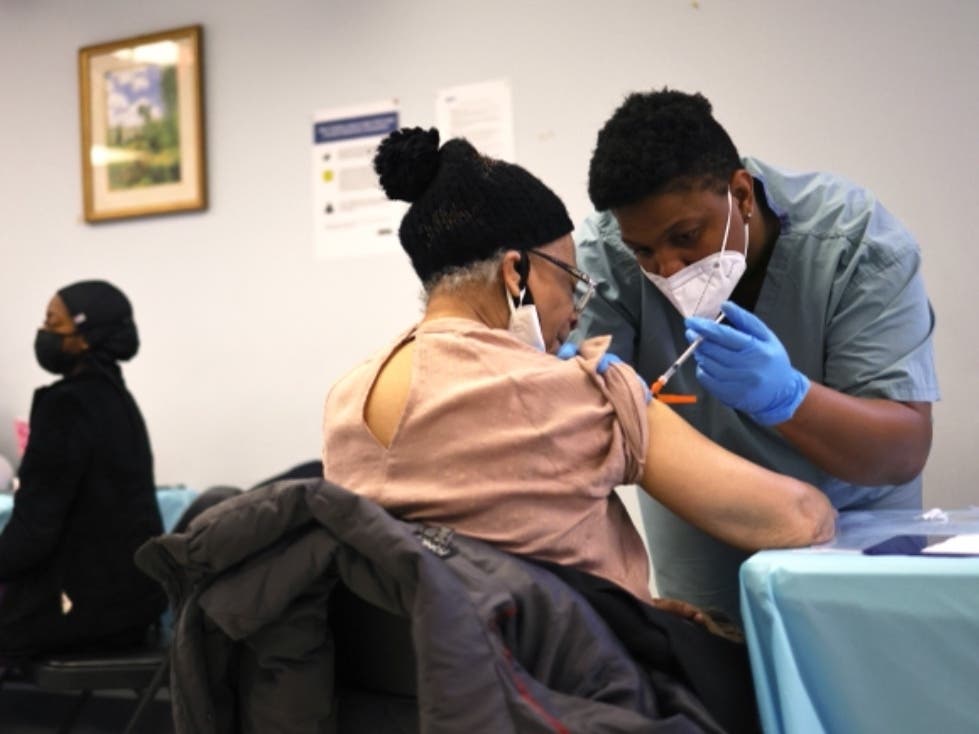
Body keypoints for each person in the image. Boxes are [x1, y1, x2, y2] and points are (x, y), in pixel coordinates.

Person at [323, 127, 834, 627]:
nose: (574, 314)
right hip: (577, 700)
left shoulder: (346, 402)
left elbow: (465, 583)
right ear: (516, 273)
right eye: (570, 282)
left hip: (426, 696)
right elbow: (797, 518)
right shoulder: (578, 393)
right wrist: (788, 399)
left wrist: (629, 606)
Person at [575, 88, 939, 623]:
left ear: (741, 195)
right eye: (646, 251)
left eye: (686, 236)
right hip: (706, 533)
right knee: (717, 682)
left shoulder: (855, 244)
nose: (669, 268)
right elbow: (593, 411)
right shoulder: (610, 254)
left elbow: (903, 448)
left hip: (850, 526)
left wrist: (789, 398)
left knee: (859, 681)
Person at [0, 281, 166, 655]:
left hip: (83, 614)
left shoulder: (66, 407)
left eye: (52, 323)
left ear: (85, 337)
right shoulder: (118, 400)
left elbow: (33, 532)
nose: (43, 333)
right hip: (133, 606)